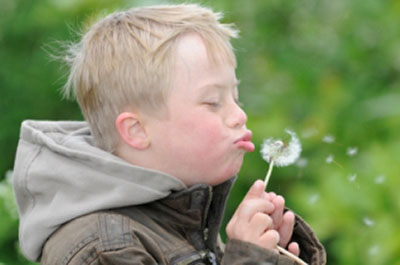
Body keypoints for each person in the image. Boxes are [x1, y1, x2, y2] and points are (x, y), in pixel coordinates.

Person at [12, 4, 326, 265]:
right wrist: (248, 259)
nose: (239, 114)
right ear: (137, 130)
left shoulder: (180, 221)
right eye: (212, 102)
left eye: (236, 96)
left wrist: (273, 256)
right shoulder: (104, 249)